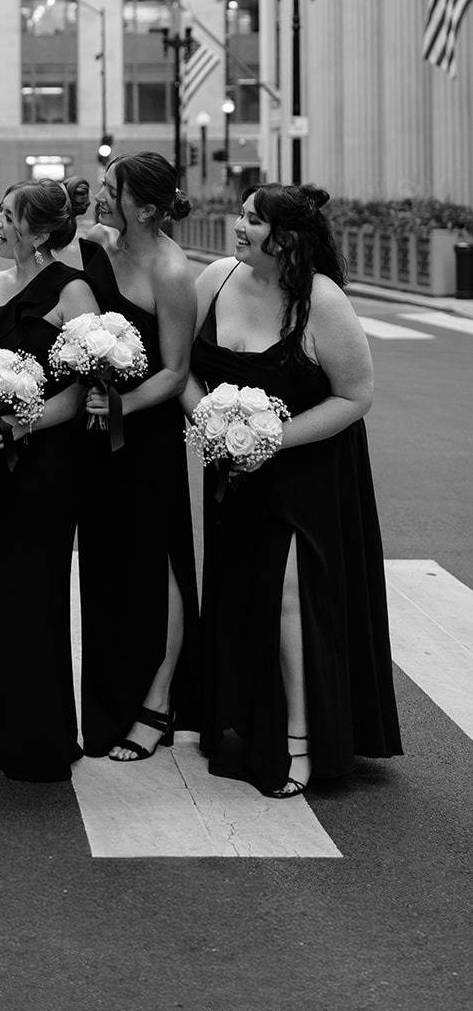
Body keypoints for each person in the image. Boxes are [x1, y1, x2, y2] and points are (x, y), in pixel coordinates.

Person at [187, 182, 403, 797]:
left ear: (285, 239)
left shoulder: (321, 300)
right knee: (242, 594)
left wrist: (269, 442)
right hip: (231, 470)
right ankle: (245, 720)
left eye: (253, 220)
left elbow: (356, 396)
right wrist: (213, 423)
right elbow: (182, 370)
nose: (238, 225)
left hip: (306, 473)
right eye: (242, 214)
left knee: (287, 598)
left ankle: (302, 743)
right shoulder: (217, 281)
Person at [0, 177, 98, 782]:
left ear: (39, 231)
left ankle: (41, 736)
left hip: (45, 464)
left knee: (37, 591)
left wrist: (24, 427)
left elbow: (86, 389)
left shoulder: (73, 292)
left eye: (6, 215)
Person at [75, 153, 201, 762]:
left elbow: (175, 373)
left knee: (161, 564)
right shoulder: (99, 242)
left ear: (146, 207)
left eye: (110, 190)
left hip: (144, 435)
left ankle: (157, 699)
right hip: (94, 433)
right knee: (104, 567)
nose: (100, 197)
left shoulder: (173, 271)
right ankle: (105, 696)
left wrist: (118, 405)